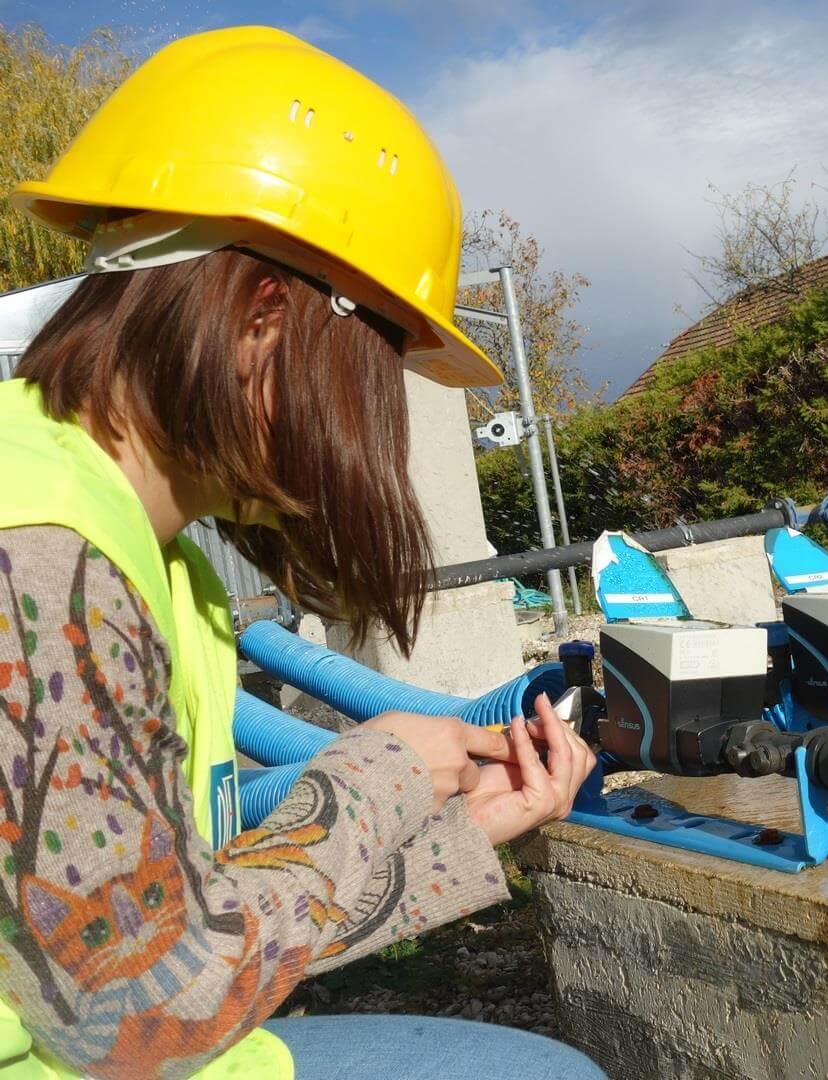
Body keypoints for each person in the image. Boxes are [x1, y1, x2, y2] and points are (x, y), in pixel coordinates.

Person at [0, 27, 603, 1079]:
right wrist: (370, 780)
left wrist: (461, 835)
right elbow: (129, 1013)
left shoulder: (154, 554)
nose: (373, 426)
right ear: (265, 317)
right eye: (370, 370)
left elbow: (175, 918)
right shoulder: (39, 551)